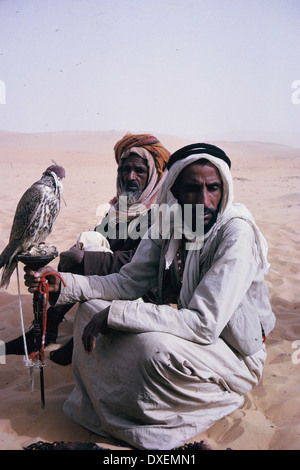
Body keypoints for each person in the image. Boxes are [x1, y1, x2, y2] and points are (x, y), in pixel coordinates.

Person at [24, 143, 276, 450]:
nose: (205, 200)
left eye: (213, 188)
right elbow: (128, 281)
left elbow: (203, 323)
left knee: (151, 347)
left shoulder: (235, 233)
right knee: (91, 308)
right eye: (192, 189)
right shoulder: (170, 222)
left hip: (234, 354)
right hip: (196, 339)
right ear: (175, 192)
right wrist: (63, 285)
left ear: (225, 189)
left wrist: (118, 315)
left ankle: (211, 398)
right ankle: (125, 405)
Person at [6, 133, 170, 365]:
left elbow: (142, 261)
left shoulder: (162, 212)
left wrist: (85, 259)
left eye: (139, 171)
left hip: (143, 292)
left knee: (87, 257)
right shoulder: (119, 208)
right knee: (88, 240)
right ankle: (45, 328)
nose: (130, 177)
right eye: (125, 169)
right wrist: (78, 251)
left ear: (154, 175)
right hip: (112, 280)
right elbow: (99, 235)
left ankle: (76, 341)